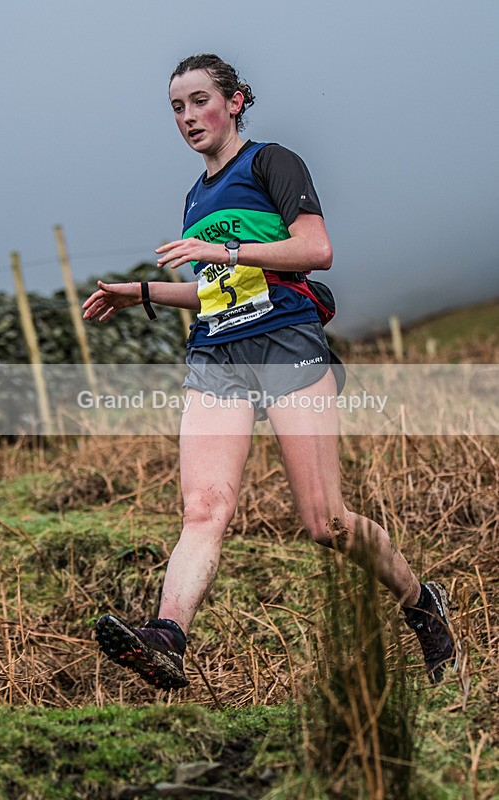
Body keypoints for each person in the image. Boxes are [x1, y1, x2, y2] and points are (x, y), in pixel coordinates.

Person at [82, 53, 457, 690]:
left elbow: (316, 250)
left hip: (284, 341)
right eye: (176, 107)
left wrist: (220, 249)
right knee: (204, 508)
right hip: (217, 354)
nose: (187, 117)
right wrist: (142, 292)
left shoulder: (271, 163)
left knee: (325, 522)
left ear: (233, 102)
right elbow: (215, 292)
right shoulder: (195, 196)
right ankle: (166, 637)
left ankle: (422, 604)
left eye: (199, 100)